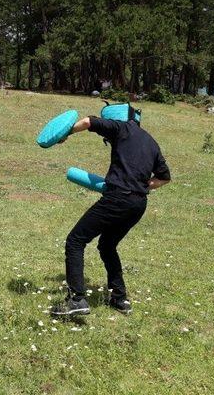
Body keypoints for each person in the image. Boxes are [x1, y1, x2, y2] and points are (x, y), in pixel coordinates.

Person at [51, 111, 171, 316]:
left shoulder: (121, 127)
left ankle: (77, 299)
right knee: (107, 246)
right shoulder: (151, 142)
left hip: (118, 198)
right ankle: (119, 299)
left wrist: (64, 134)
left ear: (118, 118)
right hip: (138, 204)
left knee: (75, 240)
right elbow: (164, 178)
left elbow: (89, 122)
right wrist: (139, 186)